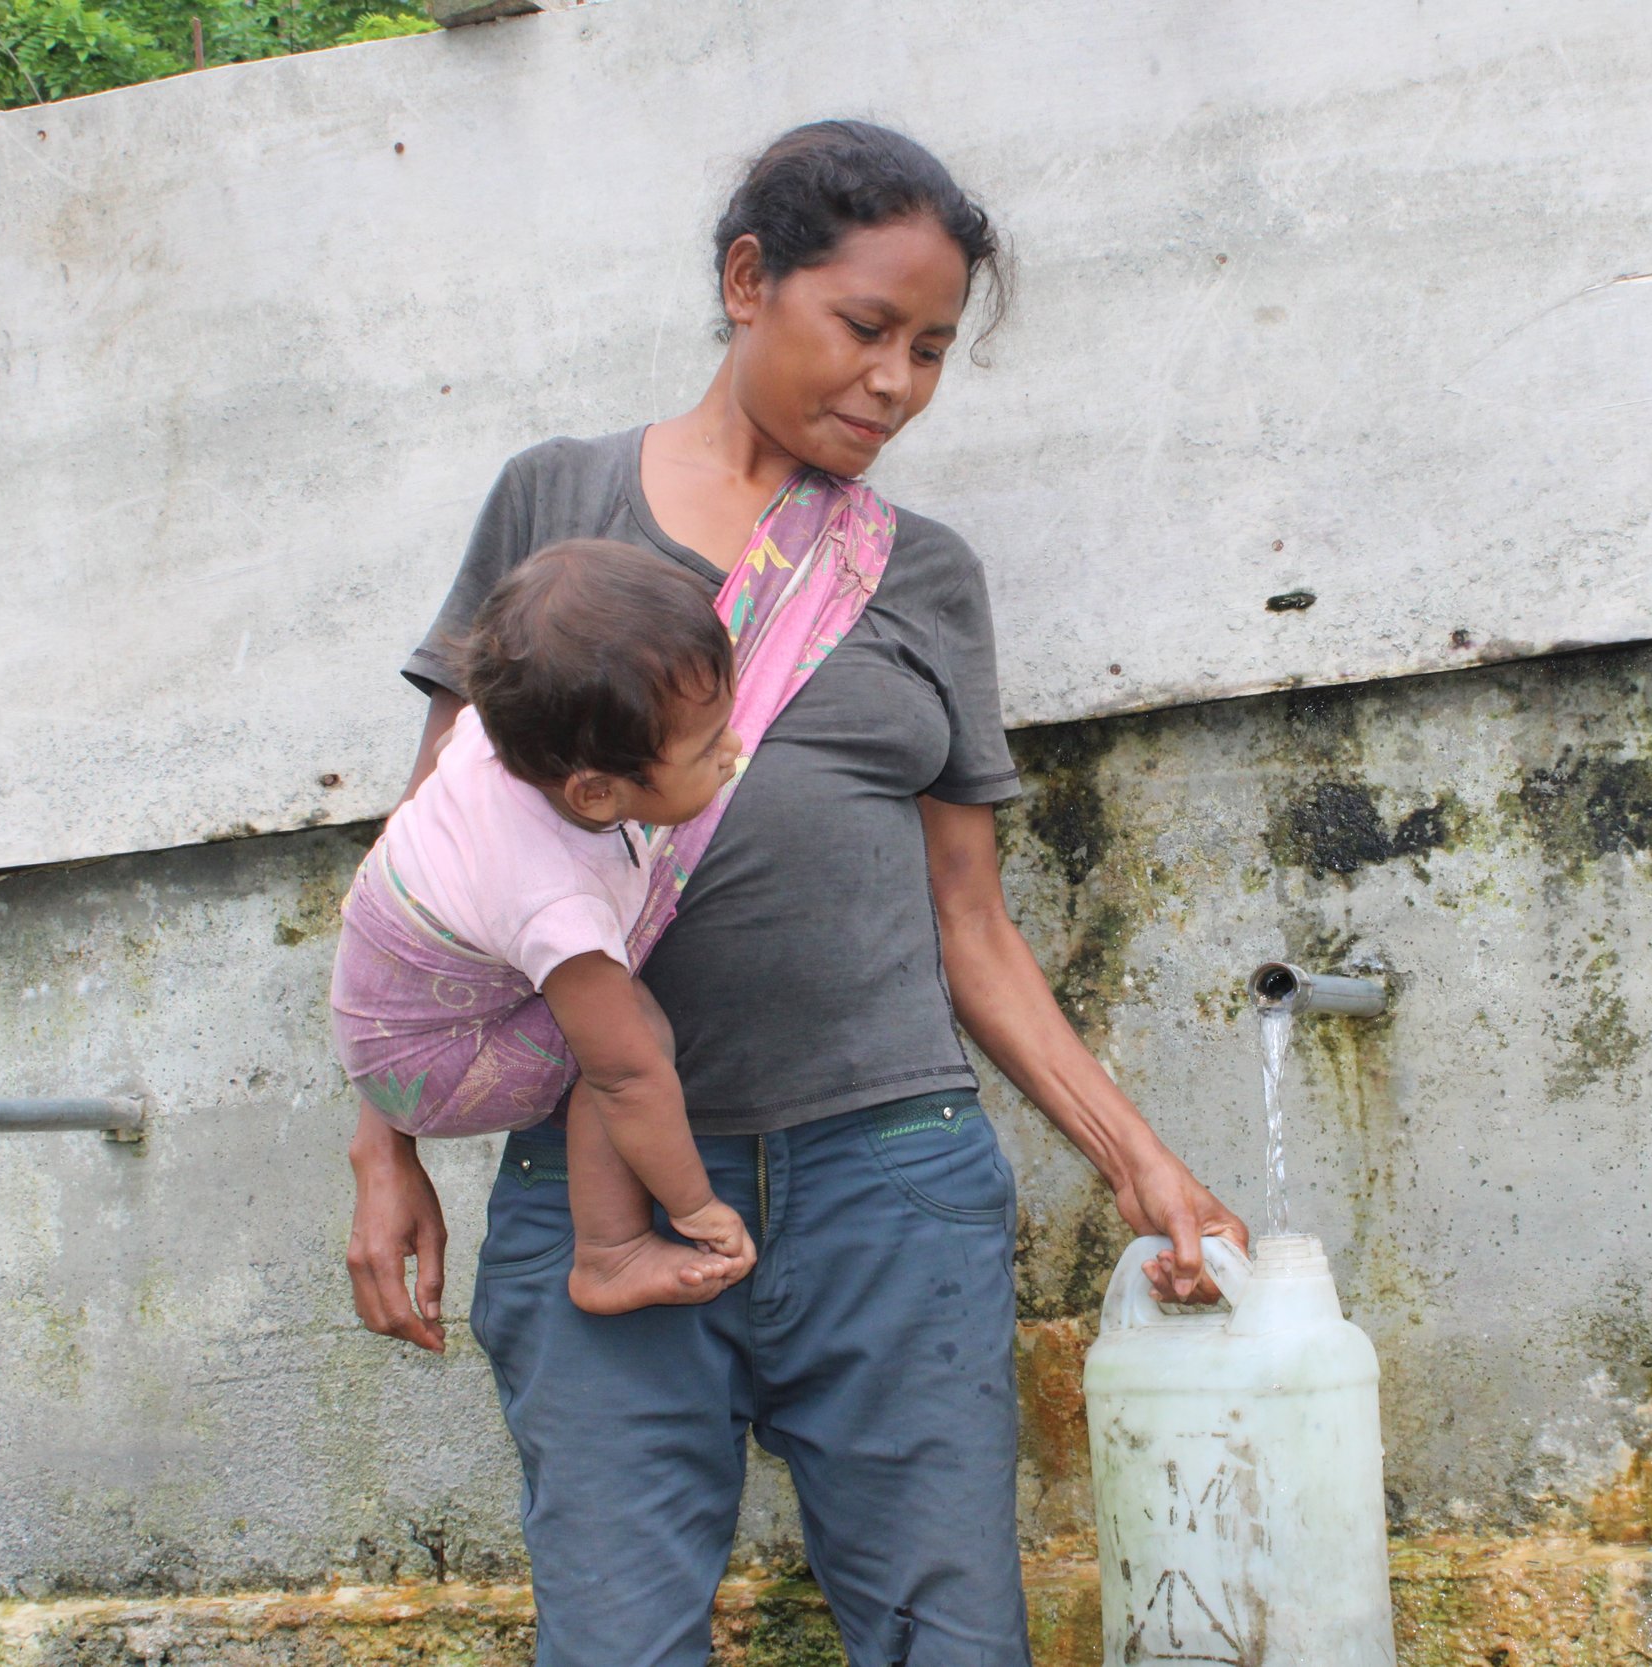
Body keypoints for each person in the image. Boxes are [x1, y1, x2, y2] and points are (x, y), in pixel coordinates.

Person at [344, 119, 1246, 1667]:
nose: (896, 381)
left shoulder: (926, 575)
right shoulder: (556, 504)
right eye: (866, 326)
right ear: (749, 280)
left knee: (951, 1639)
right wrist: (385, 1144)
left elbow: (972, 924)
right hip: (603, 1183)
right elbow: (427, 870)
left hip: (889, 1183)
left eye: (933, 349)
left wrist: (1137, 1160)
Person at [329, 538, 757, 1315]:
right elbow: (627, 1080)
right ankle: (611, 1253)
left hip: (384, 1006)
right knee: (632, 1038)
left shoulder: (494, 732)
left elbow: (447, 768)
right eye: (707, 748)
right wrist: (695, 1205)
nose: (733, 748)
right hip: (431, 1064)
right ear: (595, 794)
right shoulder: (558, 904)